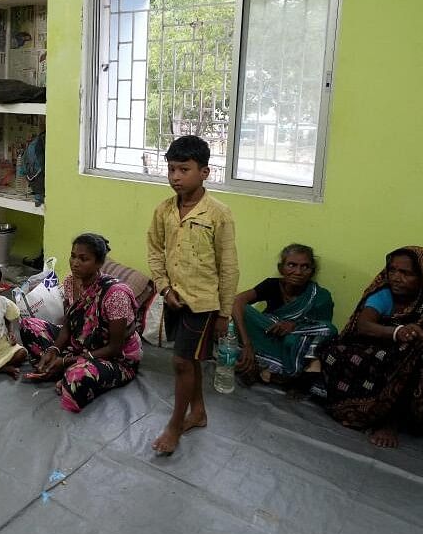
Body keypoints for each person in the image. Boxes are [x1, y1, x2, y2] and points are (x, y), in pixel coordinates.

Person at [318, 246, 423, 448]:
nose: (396, 277)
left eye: (406, 273)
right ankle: (354, 407)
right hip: (374, 355)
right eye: (392, 270)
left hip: (415, 369)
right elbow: (363, 325)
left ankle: (390, 421)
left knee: (409, 353)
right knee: (330, 348)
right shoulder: (383, 295)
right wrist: (398, 332)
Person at [146, 135, 239, 456]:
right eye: (171, 169)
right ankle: (198, 412)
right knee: (190, 362)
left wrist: (225, 313)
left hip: (203, 304)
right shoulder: (164, 211)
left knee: (182, 362)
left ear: (205, 172)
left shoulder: (218, 214)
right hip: (174, 299)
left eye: (183, 169)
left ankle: (174, 425)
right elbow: (155, 251)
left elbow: (228, 267)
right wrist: (163, 287)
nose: (175, 177)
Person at [19, 234, 142, 412]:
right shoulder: (70, 282)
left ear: (99, 263)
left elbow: (114, 347)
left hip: (114, 357)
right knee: (28, 325)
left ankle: (68, 370)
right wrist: (53, 350)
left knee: (77, 378)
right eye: (73, 256)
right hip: (80, 345)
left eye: (83, 259)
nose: (75, 263)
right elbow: (68, 327)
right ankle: (63, 367)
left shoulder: (115, 294)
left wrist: (65, 361)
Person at [231, 243, 337, 385]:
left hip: (294, 347)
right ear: (281, 268)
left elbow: (324, 333)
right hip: (269, 336)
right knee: (236, 313)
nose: (298, 272)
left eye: (305, 267)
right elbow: (237, 301)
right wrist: (247, 343)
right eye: (291, 265)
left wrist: (295, 326)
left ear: (312, 271)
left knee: (329, 329)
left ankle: (270, 370)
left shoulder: (321, 296)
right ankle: (269, 370)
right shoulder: (272, 285)